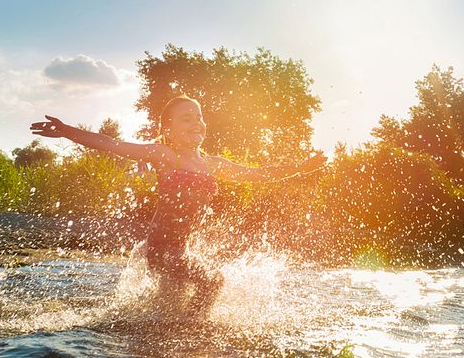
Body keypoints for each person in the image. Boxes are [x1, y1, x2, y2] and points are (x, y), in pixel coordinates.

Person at [30, 96, 327, 315]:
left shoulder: (212, 163)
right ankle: (191, 328)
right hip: (160, 249)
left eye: (198, 116)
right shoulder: (164, 155)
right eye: (186, 118)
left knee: (179, 298)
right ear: (168, 130)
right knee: (212, 282)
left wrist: (303, 167)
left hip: (179, 249)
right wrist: (68, 130)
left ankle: (165, 327)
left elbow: (259, 174)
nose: (196, 122)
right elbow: (113, 144)